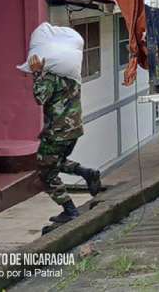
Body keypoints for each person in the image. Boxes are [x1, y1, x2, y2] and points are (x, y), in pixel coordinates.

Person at [28, 55, 102, 224]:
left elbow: (40, 98)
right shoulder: (72, 76)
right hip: (73, 131)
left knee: (46, 174)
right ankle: (87, 173)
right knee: (56, 161)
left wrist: (37, 74)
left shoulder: (51, 78)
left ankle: (70, 211)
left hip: (57, 133)